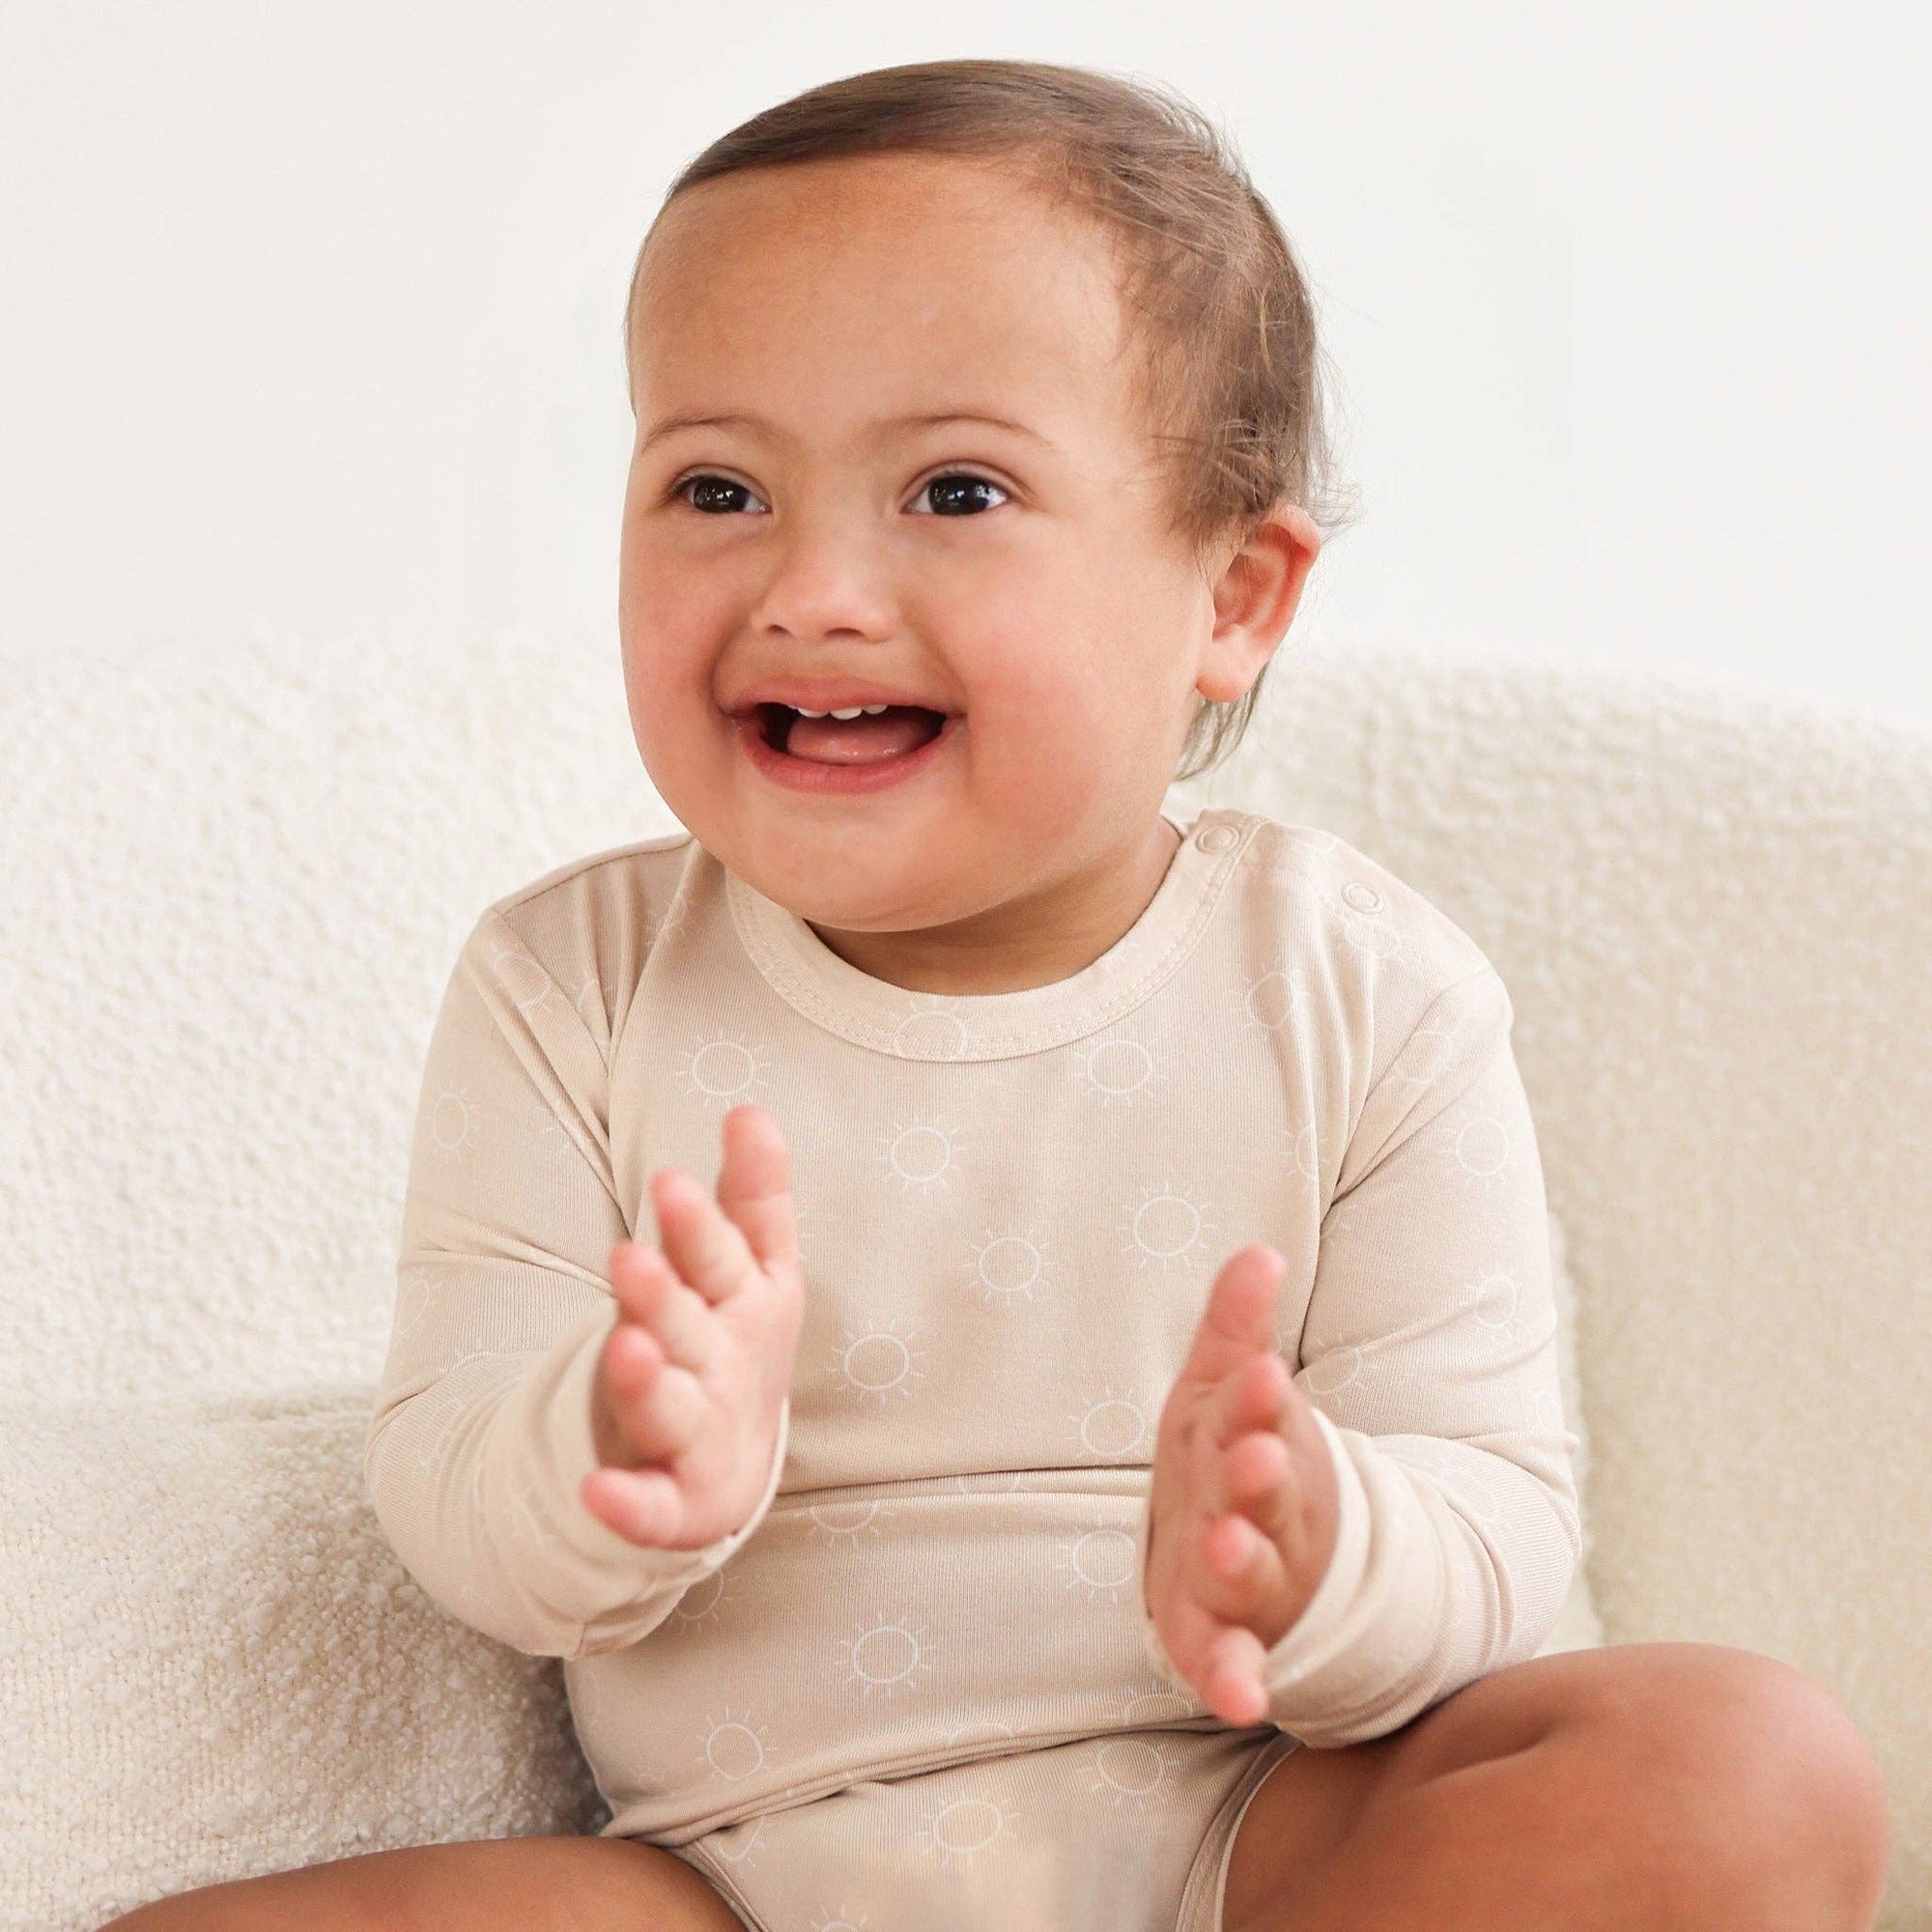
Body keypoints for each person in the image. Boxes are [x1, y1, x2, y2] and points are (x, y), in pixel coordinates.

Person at [103, 56, 1890, 1932]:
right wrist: (603, 1451)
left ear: (1233, 597)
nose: (812, 586)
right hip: (744, 1869)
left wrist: (1326, 1551)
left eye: (955, 490)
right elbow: (450, 1483)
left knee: (1748, 1764)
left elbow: (1499, 1510)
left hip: (1263, 1838)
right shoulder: (576, 987)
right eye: (717, 486)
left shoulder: (1363, 992)